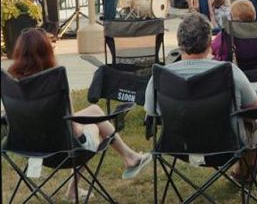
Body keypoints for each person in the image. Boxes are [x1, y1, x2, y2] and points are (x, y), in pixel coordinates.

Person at [9, 29, 151, 200]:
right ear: (47, 52)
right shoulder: (55, 80)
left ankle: (129, 157)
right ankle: (129, 158)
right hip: (62, 150)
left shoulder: (12, 83)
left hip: (28, 146)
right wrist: (88, 125)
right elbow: (74, 129)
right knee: (96, 127)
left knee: (95, 111)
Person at [144, 13, 257, 181]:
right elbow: (256, 109)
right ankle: (244, 172)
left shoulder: (160, 77)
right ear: (209, 44)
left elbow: (152, 114)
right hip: (227, 145)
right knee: (254, 123)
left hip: (178, 146)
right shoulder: (229, 72)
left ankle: (242, 172)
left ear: (179, 44)